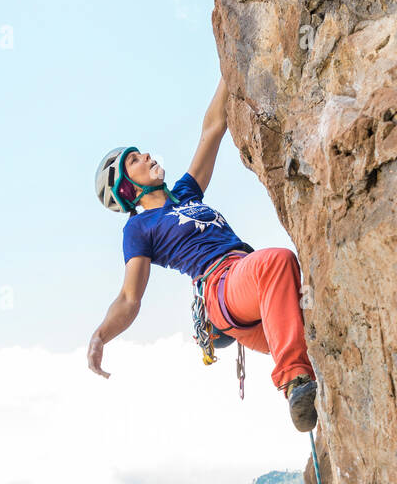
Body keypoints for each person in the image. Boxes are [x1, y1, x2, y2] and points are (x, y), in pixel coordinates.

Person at [89, 77, 317, 432]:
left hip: (253, 288)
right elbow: (129, 298)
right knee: (278, 260)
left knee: (318, 335)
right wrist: (101, 335)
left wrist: (228, 70)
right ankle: (292, 380)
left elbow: (213, 128)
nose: (147, 155)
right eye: (135, 160)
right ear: (128, 188)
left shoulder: (185, 194)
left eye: (142, 152)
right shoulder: (139, 228)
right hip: (222, 287)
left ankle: (305, 387)